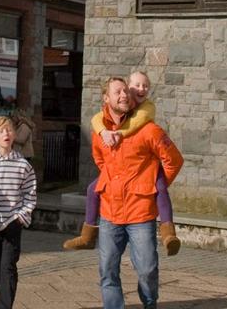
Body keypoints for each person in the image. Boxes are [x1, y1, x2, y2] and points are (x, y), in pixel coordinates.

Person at [63, 71, 180, 255]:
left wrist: (147, 182)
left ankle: (168, 234)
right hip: (114, 198)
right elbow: (97, 132)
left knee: (160, 189)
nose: (141, 89)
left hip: (145, 178)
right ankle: (87, 235)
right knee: (93, 189)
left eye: (146, 86)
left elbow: (173, 159)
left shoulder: (147, 110)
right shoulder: (105, 123)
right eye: (136, 86)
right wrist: (104, 134)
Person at [93, 77, 183, 309]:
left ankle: (150, 303)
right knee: (107, 270)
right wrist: (110, 182)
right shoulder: (100, 133)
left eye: (126, 90)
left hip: (140, 213)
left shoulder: (149, 130)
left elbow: (174, 160)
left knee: (147, 270)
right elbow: (100, 159)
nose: (124, 95)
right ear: (106, 98)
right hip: (109, 212)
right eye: (118, 92)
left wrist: (153, 183)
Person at [0, 116, 37, 309]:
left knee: (8, 267)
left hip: (13, 222)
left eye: (10, 130)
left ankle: (4, 306)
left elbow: (30, 194)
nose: (6, 134)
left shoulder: (23, 164)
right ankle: (1, 299)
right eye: (1, 130)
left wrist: (21, 217)